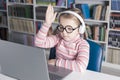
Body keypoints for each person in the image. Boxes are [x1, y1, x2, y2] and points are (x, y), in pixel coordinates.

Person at [34, 4, 89, 72]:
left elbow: (80, 67)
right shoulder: (58, 38)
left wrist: (56, 62)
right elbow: (38, 43)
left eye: (69, 29)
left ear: (80, 29)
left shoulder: (83, 45)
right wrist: (47, 24)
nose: (64, 33)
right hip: (58, 72)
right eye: (61, 27)